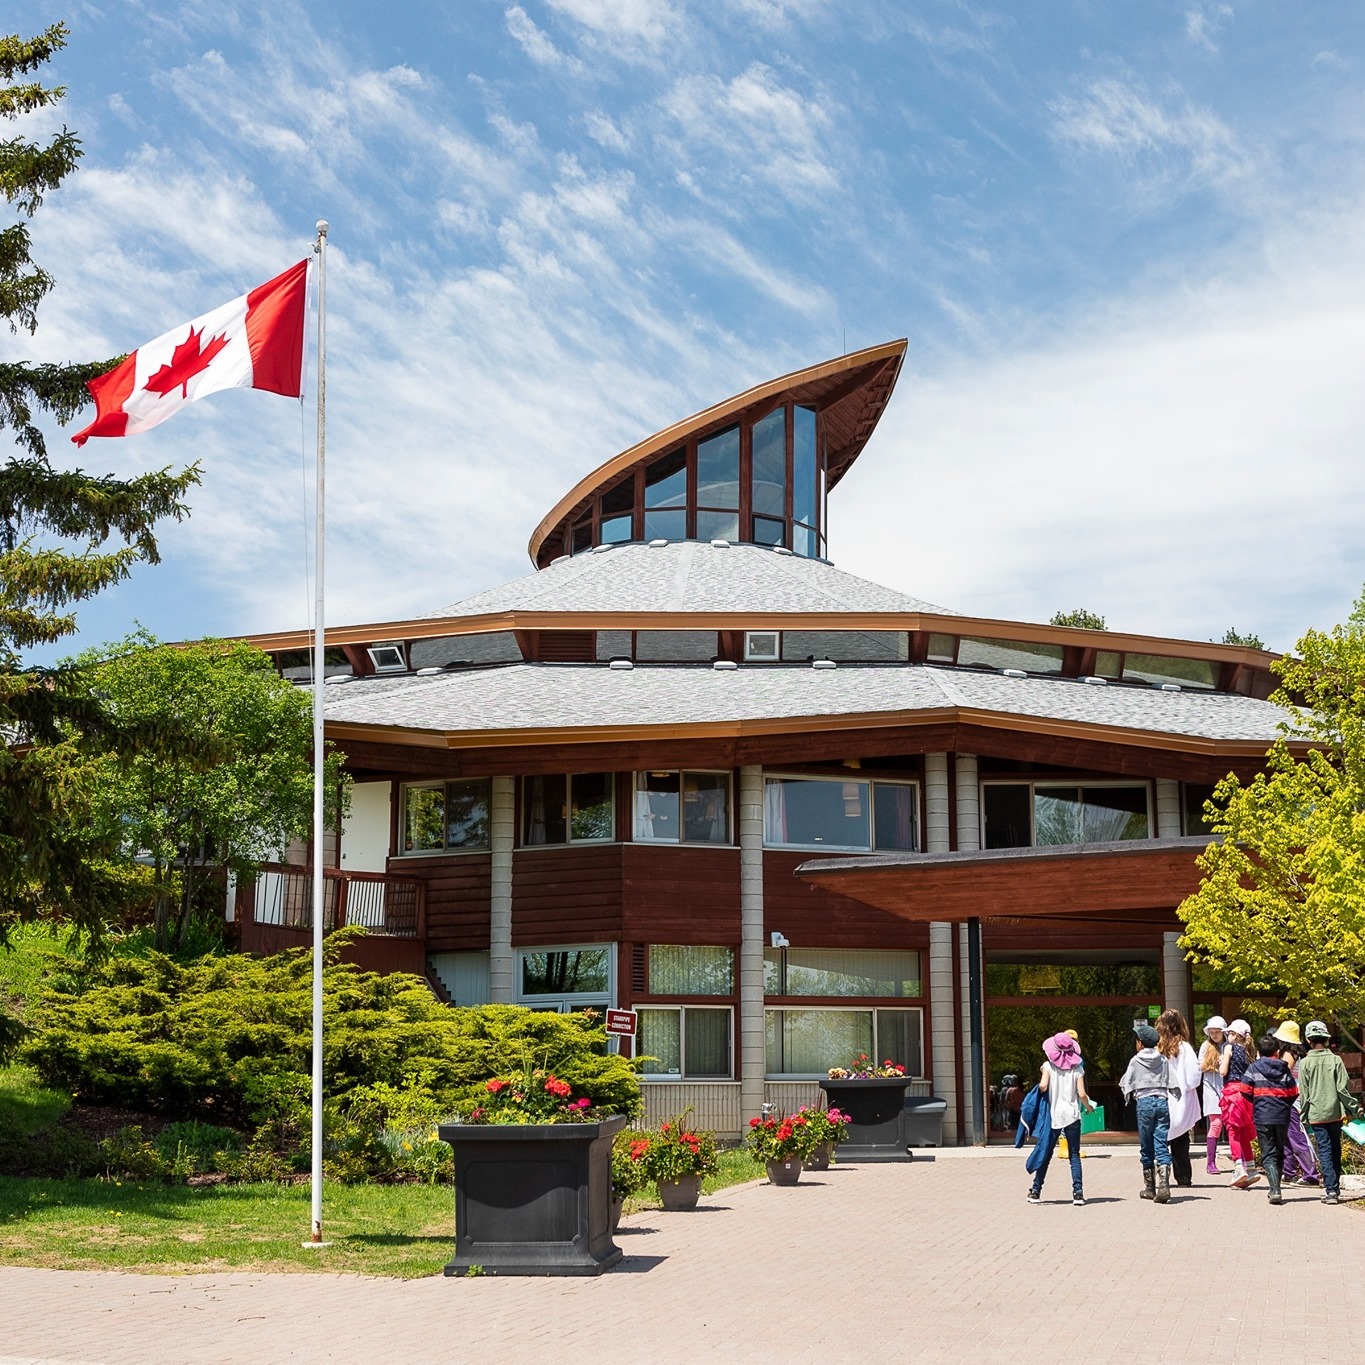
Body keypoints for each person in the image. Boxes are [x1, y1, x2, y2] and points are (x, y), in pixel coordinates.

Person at [1026, 1031, 1095, 1206]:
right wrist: (1088, 1108)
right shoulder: (1078, 1068)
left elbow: (1043, 1085)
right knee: (1074, 1155)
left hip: (1053, 1115)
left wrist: (1039, 1094)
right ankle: (1078, 1193)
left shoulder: (1047, 1066)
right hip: (1072, 1115)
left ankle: (1035, 1191)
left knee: (1046, 1153)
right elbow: (1082, 1094)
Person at [1298, 1020, 1361, 1205]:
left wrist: (1304, 1116)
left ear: (1308, 1040)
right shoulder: (1336, 1060)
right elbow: (1343, 1089)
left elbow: (1305, 1093)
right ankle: (1335, 1189)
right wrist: (1355, 1108)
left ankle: (1331, 1190)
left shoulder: (1306, 1063)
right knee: (1336, 1149)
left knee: (1324, 1150)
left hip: (1316, 1114)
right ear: (1326, 1039)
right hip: (1335, 1113)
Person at [1121, 1023, 1178, 1205]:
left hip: (1144, 1104)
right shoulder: (1162, 1060)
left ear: (1139, 1043)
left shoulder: (1135, 1061)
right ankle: (1164, 1186)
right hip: (1162, 1102)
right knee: (1161, 1142)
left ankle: (1149, 1187)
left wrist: (1128, 1095)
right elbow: (1174, 1082)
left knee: (1146, 1145)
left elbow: (1126, 1082)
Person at [1243, 1032, 1298, 1205]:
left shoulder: (1253, 1068)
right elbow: (1294, 1092)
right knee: (1280, 1151)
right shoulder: (1284, 1069)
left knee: (1268, 1153)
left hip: (1262, 1115)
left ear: (1258, 1052)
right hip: (1282, 1116)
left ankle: (1275, 1189)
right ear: (1277, 1052)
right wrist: (1283, 1103)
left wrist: (1258, 1101)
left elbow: (1245, 1090)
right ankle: (1277, 1187)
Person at [1156, 1009, 1201, 1187]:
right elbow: (1193, 1078)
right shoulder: (1185, 1048)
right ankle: (1183, 1177)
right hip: (1180, 1098)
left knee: (1160, 1138)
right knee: (1181, 1140)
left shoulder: (1156, 1048)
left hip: (1160, 1098)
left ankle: (1161, 1176)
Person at [1272, 1021, 1319, 1186]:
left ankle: (1310, 1175)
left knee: (1296, 1137)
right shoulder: (1295, 1053)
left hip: (1292, 1101)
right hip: (1290, 1100)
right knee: (1287, 1137)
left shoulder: (1289, 1054)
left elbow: (1281, 1072)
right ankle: (1289, 1171)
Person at [1219, 1018, 1260, 1189]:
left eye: (1229, 1033)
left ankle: (1238, 1167)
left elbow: (1223, 1072)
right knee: (1243, 1132)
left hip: (1232, 1092)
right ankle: (1250, 1168)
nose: (1227, 1036)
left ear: (1234, 1035)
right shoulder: (1251, 1051)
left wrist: (1222, 1061)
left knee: (1233, 1131)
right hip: (1247, 1095)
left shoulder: (1229, 1048)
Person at [1198, 1016, 1227, 1174]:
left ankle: (1240, 1160)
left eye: (1217, 1032)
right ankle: (1211, 1162)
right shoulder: (1205, 1046)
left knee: (1232, 1125)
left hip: (1228, 1089)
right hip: (1210, 1089)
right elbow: (1200, 1066)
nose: (1214, 1035)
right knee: (1216, 1124)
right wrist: (1214, 1062)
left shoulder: (1229, 1045)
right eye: (1212, 1032)